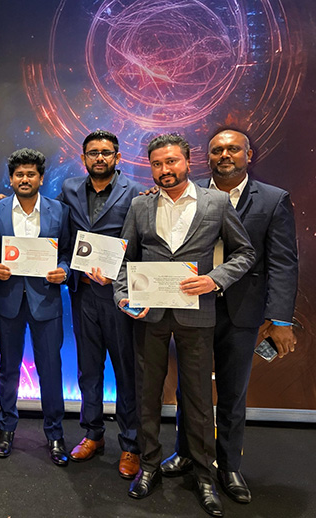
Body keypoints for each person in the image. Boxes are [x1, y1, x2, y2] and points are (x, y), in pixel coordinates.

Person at [114, 133, 254, 517]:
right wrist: (123, 296)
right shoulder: (140, 205)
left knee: (198, 399)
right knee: (147, 395)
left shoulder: (216, 202)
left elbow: (245, 253)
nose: (165, 170)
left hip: (197, 313)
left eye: (171, 161)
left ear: (188, 162)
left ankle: (205, 476)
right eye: (157, 164)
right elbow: (124, 259)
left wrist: (215, 280)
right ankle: (148, 465)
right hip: (149, 315)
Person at [160, 129, 298, 504]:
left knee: (233, 392)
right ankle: (186, 452)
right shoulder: (187, 195)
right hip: (193, 306)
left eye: (233, 149)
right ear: (207, 158)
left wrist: (280, 319)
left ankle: (229, 465)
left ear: (248, 155)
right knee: (190, 388)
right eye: (217, 150)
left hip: (242, 311)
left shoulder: (272, 200)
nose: (225, 155)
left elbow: (283, 263)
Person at [57, 130, 142, 478]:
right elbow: (54, 222)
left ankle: (131, 443)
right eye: (93, 153)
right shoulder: (69, 189)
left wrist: (117, 277)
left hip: (119, 295)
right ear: (84, 158)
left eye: (106, 152)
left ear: (118, 157)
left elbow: (141, 244)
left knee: (126, 370)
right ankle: (93, 434)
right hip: (83, 294)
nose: (100, 158)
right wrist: (3, 201)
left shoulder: (136, 192)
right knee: (88, 369)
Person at [0, 148, 72, 467]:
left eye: (31, 174)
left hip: (47, 301)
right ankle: (6, 428)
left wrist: (64, 270)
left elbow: (67, 252)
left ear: (41, 178)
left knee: (51, 370)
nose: (24, 179)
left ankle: (55, 433)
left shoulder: (59, 210)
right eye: (19, 174)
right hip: (8, 300)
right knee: (8, 369)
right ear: (11, 179)